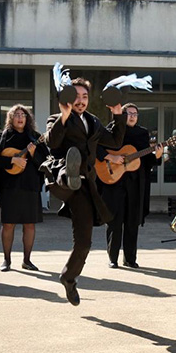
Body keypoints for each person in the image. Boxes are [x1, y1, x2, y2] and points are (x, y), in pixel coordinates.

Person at [44, 77, 125, 306]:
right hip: (63, 176)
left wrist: (118, 113)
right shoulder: (58, 118)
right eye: (76, 96)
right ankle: (69, 174)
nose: (80, 101)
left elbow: (116, 142)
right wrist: (65, 115)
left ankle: (69, 277)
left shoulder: (94, 122)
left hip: (85, 186)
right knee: (66, 170)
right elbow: (52, 141)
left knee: (85, 242)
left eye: (85, 97)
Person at [97, 103, 162, 269]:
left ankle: (130, 258)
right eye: (128, 113)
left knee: (132, 221)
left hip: (135, 183)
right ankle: (113, 258)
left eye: (135, 113)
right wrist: (110, 157)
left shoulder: (142, 133)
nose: (132, 116)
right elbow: (96, 149)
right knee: (114, 221)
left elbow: (146, 160)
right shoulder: (110, 130)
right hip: (114, 182)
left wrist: (157, 156)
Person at [0, 104, 48, 272]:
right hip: (9, 187)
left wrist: (34, 153)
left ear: (27, 118)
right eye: (16, 115)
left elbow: (45, 162)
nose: (20, 117)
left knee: (30, 225)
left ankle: (27, 260)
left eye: (23, 114)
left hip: (30, 186)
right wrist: (12, 161)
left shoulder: (35, 137)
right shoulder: (4, 136)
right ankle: (6, 260)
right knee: (8, 224)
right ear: (11, 119)